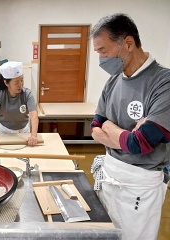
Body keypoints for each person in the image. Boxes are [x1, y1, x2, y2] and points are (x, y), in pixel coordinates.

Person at [90, 13, 170, 240]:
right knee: (108, 235)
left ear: (128, 43)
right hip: (110, 173)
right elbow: (95, 128)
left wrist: (110, 127)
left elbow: (141, 143)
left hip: (140, 186)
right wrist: (123, 134)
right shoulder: (114, 81)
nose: (101, 60)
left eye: (104, 51)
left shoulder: (163, 82)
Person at [0, 61, 39, 146]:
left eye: (22, 80)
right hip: (3, 132)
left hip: (23, 131)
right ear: (6, 83)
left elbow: (34, 116)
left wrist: (33, 136)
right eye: (17, 82)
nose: (20, 85)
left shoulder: (27, 94)